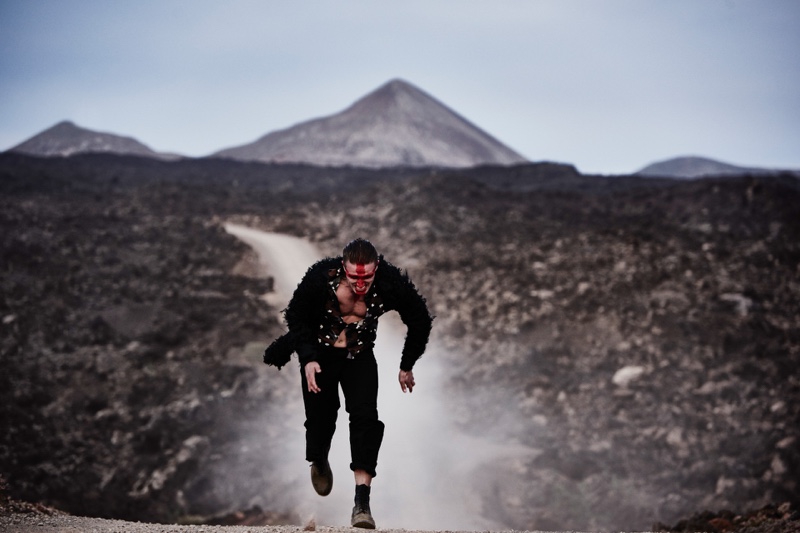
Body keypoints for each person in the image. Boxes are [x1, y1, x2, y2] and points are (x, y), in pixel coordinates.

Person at [263, 238, 433, 529]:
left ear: (376, 268)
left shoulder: (390, 282)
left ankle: (362, 504)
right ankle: (318, 459)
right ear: (344, 268)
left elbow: (420, 320)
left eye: (367, 276)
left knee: (366, 418)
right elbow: (297, 316)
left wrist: (407, 365)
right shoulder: (321, 278)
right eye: (355, 276)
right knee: (320, 420)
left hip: (360, 356)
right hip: (321, 355)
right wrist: (308, 359)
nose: (361, 283)